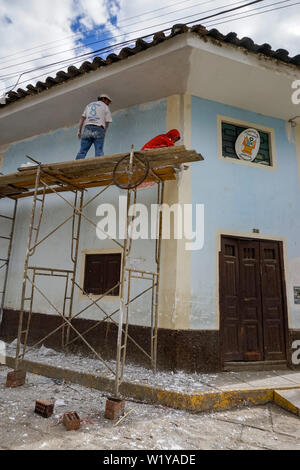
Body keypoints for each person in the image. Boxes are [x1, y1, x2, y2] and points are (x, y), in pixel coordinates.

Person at [75, 94, 112, 160]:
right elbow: (107, 121)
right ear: (104, 99)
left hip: (87, 128)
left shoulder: (89, 105)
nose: (108, 103)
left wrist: (79, 131)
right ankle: (99, 165)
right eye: (108, 101)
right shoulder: (105, 107)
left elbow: (82, 118)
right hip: (99, 129)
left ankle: (76, 166)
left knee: (82, 151)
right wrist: (104, 131)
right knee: (99, 151)